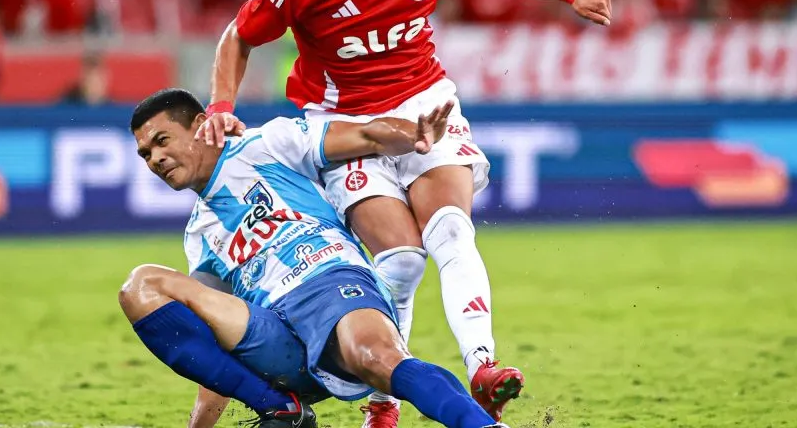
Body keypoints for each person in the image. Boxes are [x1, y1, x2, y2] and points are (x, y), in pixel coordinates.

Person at [196, 0, 614, 424]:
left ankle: (483, 366)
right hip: (343, 126)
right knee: (400, 262)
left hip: (425, 103)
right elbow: (237, 37)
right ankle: (383, 401)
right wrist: (222, 106)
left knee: (451, 230)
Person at [120, 87, 507, 428]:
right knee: (141, 286)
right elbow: (213, 352)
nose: (155, 158)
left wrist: (413, 135)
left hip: (330, 283)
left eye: (162, 141)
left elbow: (363, 134)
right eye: (145, 153)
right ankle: (280, 410)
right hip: (275, 335)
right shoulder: (198, 236)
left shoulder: (266, 144)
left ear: (202, 125)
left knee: (376, 358)